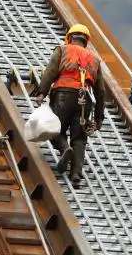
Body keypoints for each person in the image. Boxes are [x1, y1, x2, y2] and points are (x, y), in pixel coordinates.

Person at [33, 24, 105, 188]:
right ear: (86, 41)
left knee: (53, 128)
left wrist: (41, 93)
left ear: (70, 37)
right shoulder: (94, 60)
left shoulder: (63, 49)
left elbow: (50, 71)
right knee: (79, 138)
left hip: (63, 95)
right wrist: (99, 117)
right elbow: (100, 92)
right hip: (84, 99)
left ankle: (65, 149)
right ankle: (76, 175)